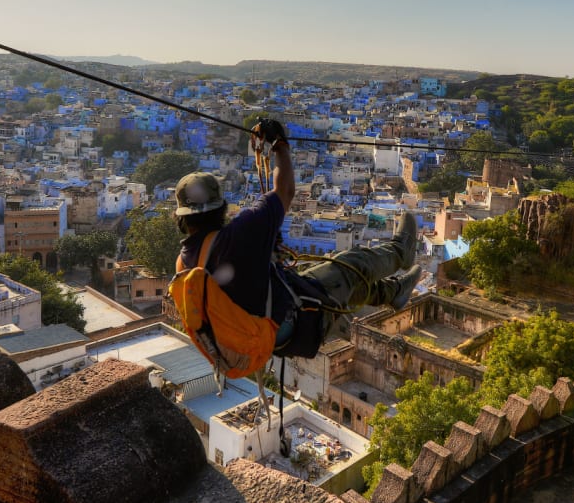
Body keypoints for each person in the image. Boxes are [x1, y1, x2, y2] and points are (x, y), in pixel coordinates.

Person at [174, 118, 421, 358]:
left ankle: (393, 292)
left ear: (182, 218)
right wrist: (280, 145)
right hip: (292, 323)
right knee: (351, 263)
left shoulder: (183, 264)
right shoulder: (239, 233)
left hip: (251, 342)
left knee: (335, 283)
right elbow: (285, 191)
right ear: (220, 208)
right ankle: (401, 252)